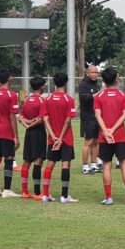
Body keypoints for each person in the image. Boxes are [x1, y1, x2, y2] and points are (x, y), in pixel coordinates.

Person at [94, 67, 125, 206]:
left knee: (107, 165)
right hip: (119, 136)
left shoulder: (99, 96)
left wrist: (106, 131)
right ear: (116, 79)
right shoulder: (123, 94)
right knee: (124, 165)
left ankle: (108, 198)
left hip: (105, 136)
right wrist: (113, 130)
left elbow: (97, 115)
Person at [42, 73, 78, 204]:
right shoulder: (69, 100)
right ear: (66, 83)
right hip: (66, 138)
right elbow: (68, 120)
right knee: (65, 164)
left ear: (54, 83)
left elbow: (45, 118)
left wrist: (53, 136)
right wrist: (61, 138)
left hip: (53, 139)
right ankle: (64, 196)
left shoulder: (48, 98)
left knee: (50, 164)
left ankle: (45, 195)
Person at [0, 69, 21, 198]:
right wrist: (16, 136)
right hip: (6, 130)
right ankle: (7, 189)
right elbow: (12, 116)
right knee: (8, 159)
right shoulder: (12, 95)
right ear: (9, 79)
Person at [18, 76, 47, 200]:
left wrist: (26, 124)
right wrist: (31, 125)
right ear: (42, 88)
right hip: (38, 133)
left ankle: (24, 191)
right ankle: (36, 192)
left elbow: (20, 116)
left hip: (28, 134)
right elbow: (41, 119)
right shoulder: (42, 101)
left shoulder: (27, 100)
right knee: (38, 161)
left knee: (26, 161)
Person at [79, 65, 102, 174]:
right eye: (92, 72)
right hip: (87, 117)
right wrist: (98, 94)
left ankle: (93, 165)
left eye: (96, 72)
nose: (94, 74)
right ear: (87, 73)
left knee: (96, 141)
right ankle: (85, 166)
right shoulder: (84, 84)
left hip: (96, 117)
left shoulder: (97, 85)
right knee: (88, 142)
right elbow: (85, 98)